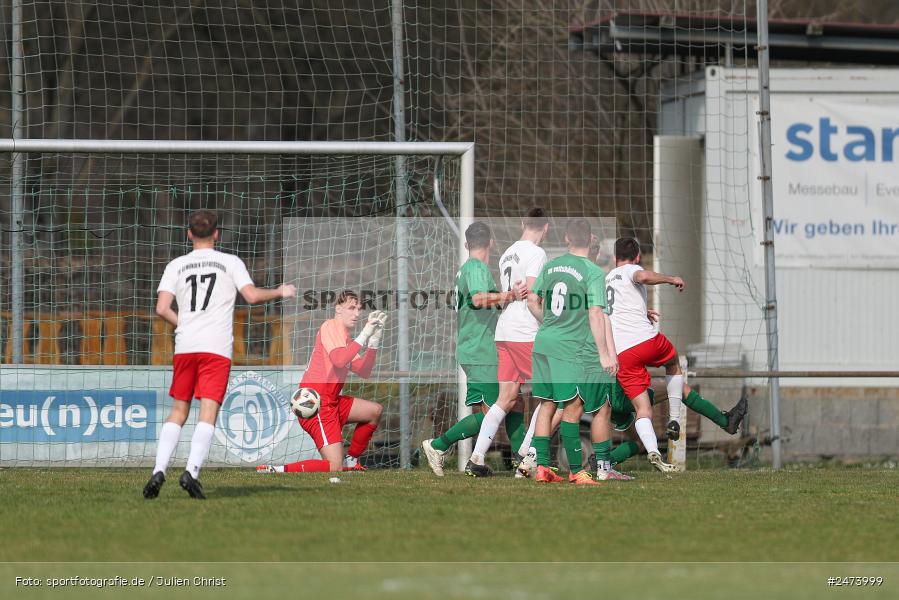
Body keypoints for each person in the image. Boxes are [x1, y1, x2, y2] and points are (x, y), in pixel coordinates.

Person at [143, 209, 296, 500]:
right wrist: (279, 291)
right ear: (216, 234)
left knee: (178, 410)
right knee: (208, 412)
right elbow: (251, 296)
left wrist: (186, 323)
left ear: (189, 234)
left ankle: (159, 470)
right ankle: (192, 471)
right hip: (216, 347)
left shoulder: (177, 264)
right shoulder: (229, 262)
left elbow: (162, 308)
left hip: (186, 346)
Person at [421, 222, 526, 476]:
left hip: (475, 346)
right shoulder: (476, 267)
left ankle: (521, 458)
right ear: (491, 243)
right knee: (497, 409)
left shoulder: (466, 270)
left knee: (515, 402)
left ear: (466, 244)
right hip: (481, 349)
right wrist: (509, 295)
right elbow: (479, 299)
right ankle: (438, 445)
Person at [526, 218, 618, 485]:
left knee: (546, 404)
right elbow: (596, 313)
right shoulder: (592, 272)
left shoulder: (552, 266)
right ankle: (577, 470)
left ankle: (542, 467)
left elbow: (533, 300)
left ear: (566, 238)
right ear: (590, 239)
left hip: (543, 343)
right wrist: (604, 354)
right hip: (568, 349)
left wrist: (551, 324)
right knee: (573, 406)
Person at [257, 290, 385, 473]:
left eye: (359, 309)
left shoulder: (347, 340)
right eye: (351, 308)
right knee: (334, 466)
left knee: (374, 411)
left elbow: (364, 371)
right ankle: (276, 470)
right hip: (315, 403)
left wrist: (374, 342)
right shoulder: (330, 326)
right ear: (338, 309)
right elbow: (339, 360)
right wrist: (365, 334)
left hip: (331, 401)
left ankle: (352, 460)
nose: (357, 313)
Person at [465, 208, 549, 477]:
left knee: (507, 397)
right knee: (553, 394)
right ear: (546, 228)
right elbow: (534, 298)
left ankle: (476, 457)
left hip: (504, 331)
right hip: (525, 331)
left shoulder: (507, 252)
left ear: (523, 222)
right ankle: (527, 454)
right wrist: (549, 324)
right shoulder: (537, 254)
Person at [605, 237, 685, 473]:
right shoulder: (633, 269)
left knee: (643, 409)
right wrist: (672, 279)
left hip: (622, 353)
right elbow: (641, 277)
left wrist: (642, 310)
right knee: (674, 362)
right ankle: (674, 418)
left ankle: (653, 451)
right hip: (645, 341)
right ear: (637, 257)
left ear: (613, 258)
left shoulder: (607, 278)